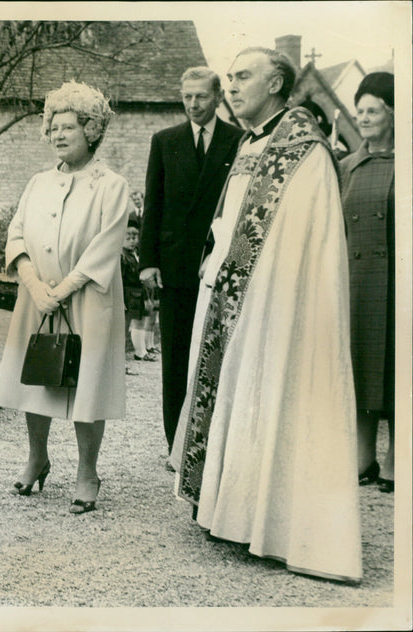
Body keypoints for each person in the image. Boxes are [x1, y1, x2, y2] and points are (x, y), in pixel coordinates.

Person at [170, 47, 362, 582]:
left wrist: (261, 293)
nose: (231, 86)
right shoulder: (254, 142)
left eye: (243, 76)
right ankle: (227, 511)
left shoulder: (301, 151)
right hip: (230, 296)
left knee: (266, 392)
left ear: (277, 83)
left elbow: (303, 244)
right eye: (228, 77)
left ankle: (271, 523)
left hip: (272, 304)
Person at [0, 80, 130, 514]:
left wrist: (64, 288)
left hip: (88, 297)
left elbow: (106, 246)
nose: (58, 135)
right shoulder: (37, 182)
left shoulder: (111, 185)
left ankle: (87, 471)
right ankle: (37, 457)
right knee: (38, 377)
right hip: (38, 296)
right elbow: (15, 234)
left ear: (92, 130)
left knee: (87, 384)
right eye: (52, 127)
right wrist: (34, 286)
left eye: (68, 126)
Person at [138, 67, 243, 462]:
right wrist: (148, 261)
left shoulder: (238, 141)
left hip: (220, 266)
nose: (193, 104)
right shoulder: (165, 142)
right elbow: (154, 203)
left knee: (219, 355)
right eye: (187, 97)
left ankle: (215, 447)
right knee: (177, 359)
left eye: (200, 96)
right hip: (176, 268)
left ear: (218, 97)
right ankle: (176, 447)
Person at [340, 72, 395, 494]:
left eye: (372, 110)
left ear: (393, 114)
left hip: (396, 284)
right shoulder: (347, 166)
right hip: (357, 281)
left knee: (394, 369)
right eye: (359, 111)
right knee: (359, 366)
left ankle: (397, 456)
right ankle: (363, 455)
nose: (363, 118)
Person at [121, 216, 154, 363]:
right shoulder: (122, 256)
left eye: (135, 236)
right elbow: (120, 280)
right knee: (123, 329)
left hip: (137, 295)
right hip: (127, 296)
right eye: (129, 236)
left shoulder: (136, 254)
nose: (133, 240)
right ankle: (121, 363)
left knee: (134, 324)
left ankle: (139, 352)